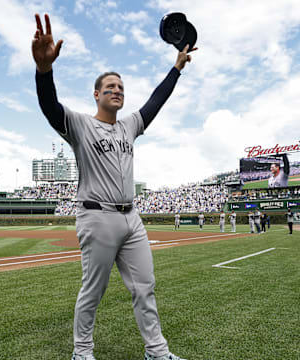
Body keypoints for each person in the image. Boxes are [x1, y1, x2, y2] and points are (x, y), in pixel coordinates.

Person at [32, 13, 197, 360]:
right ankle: (82, 352)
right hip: (97, 217)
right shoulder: (78, 125)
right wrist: (44, 71)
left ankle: (157, 352)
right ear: (97, 94)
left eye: (121, 88)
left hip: (131, 219)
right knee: (93, 290)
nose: (117, 91)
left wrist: (177, 67)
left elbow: (156, 101)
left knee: (145, 288)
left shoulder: (130, 126)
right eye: (110, 87)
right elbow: (49, 107)